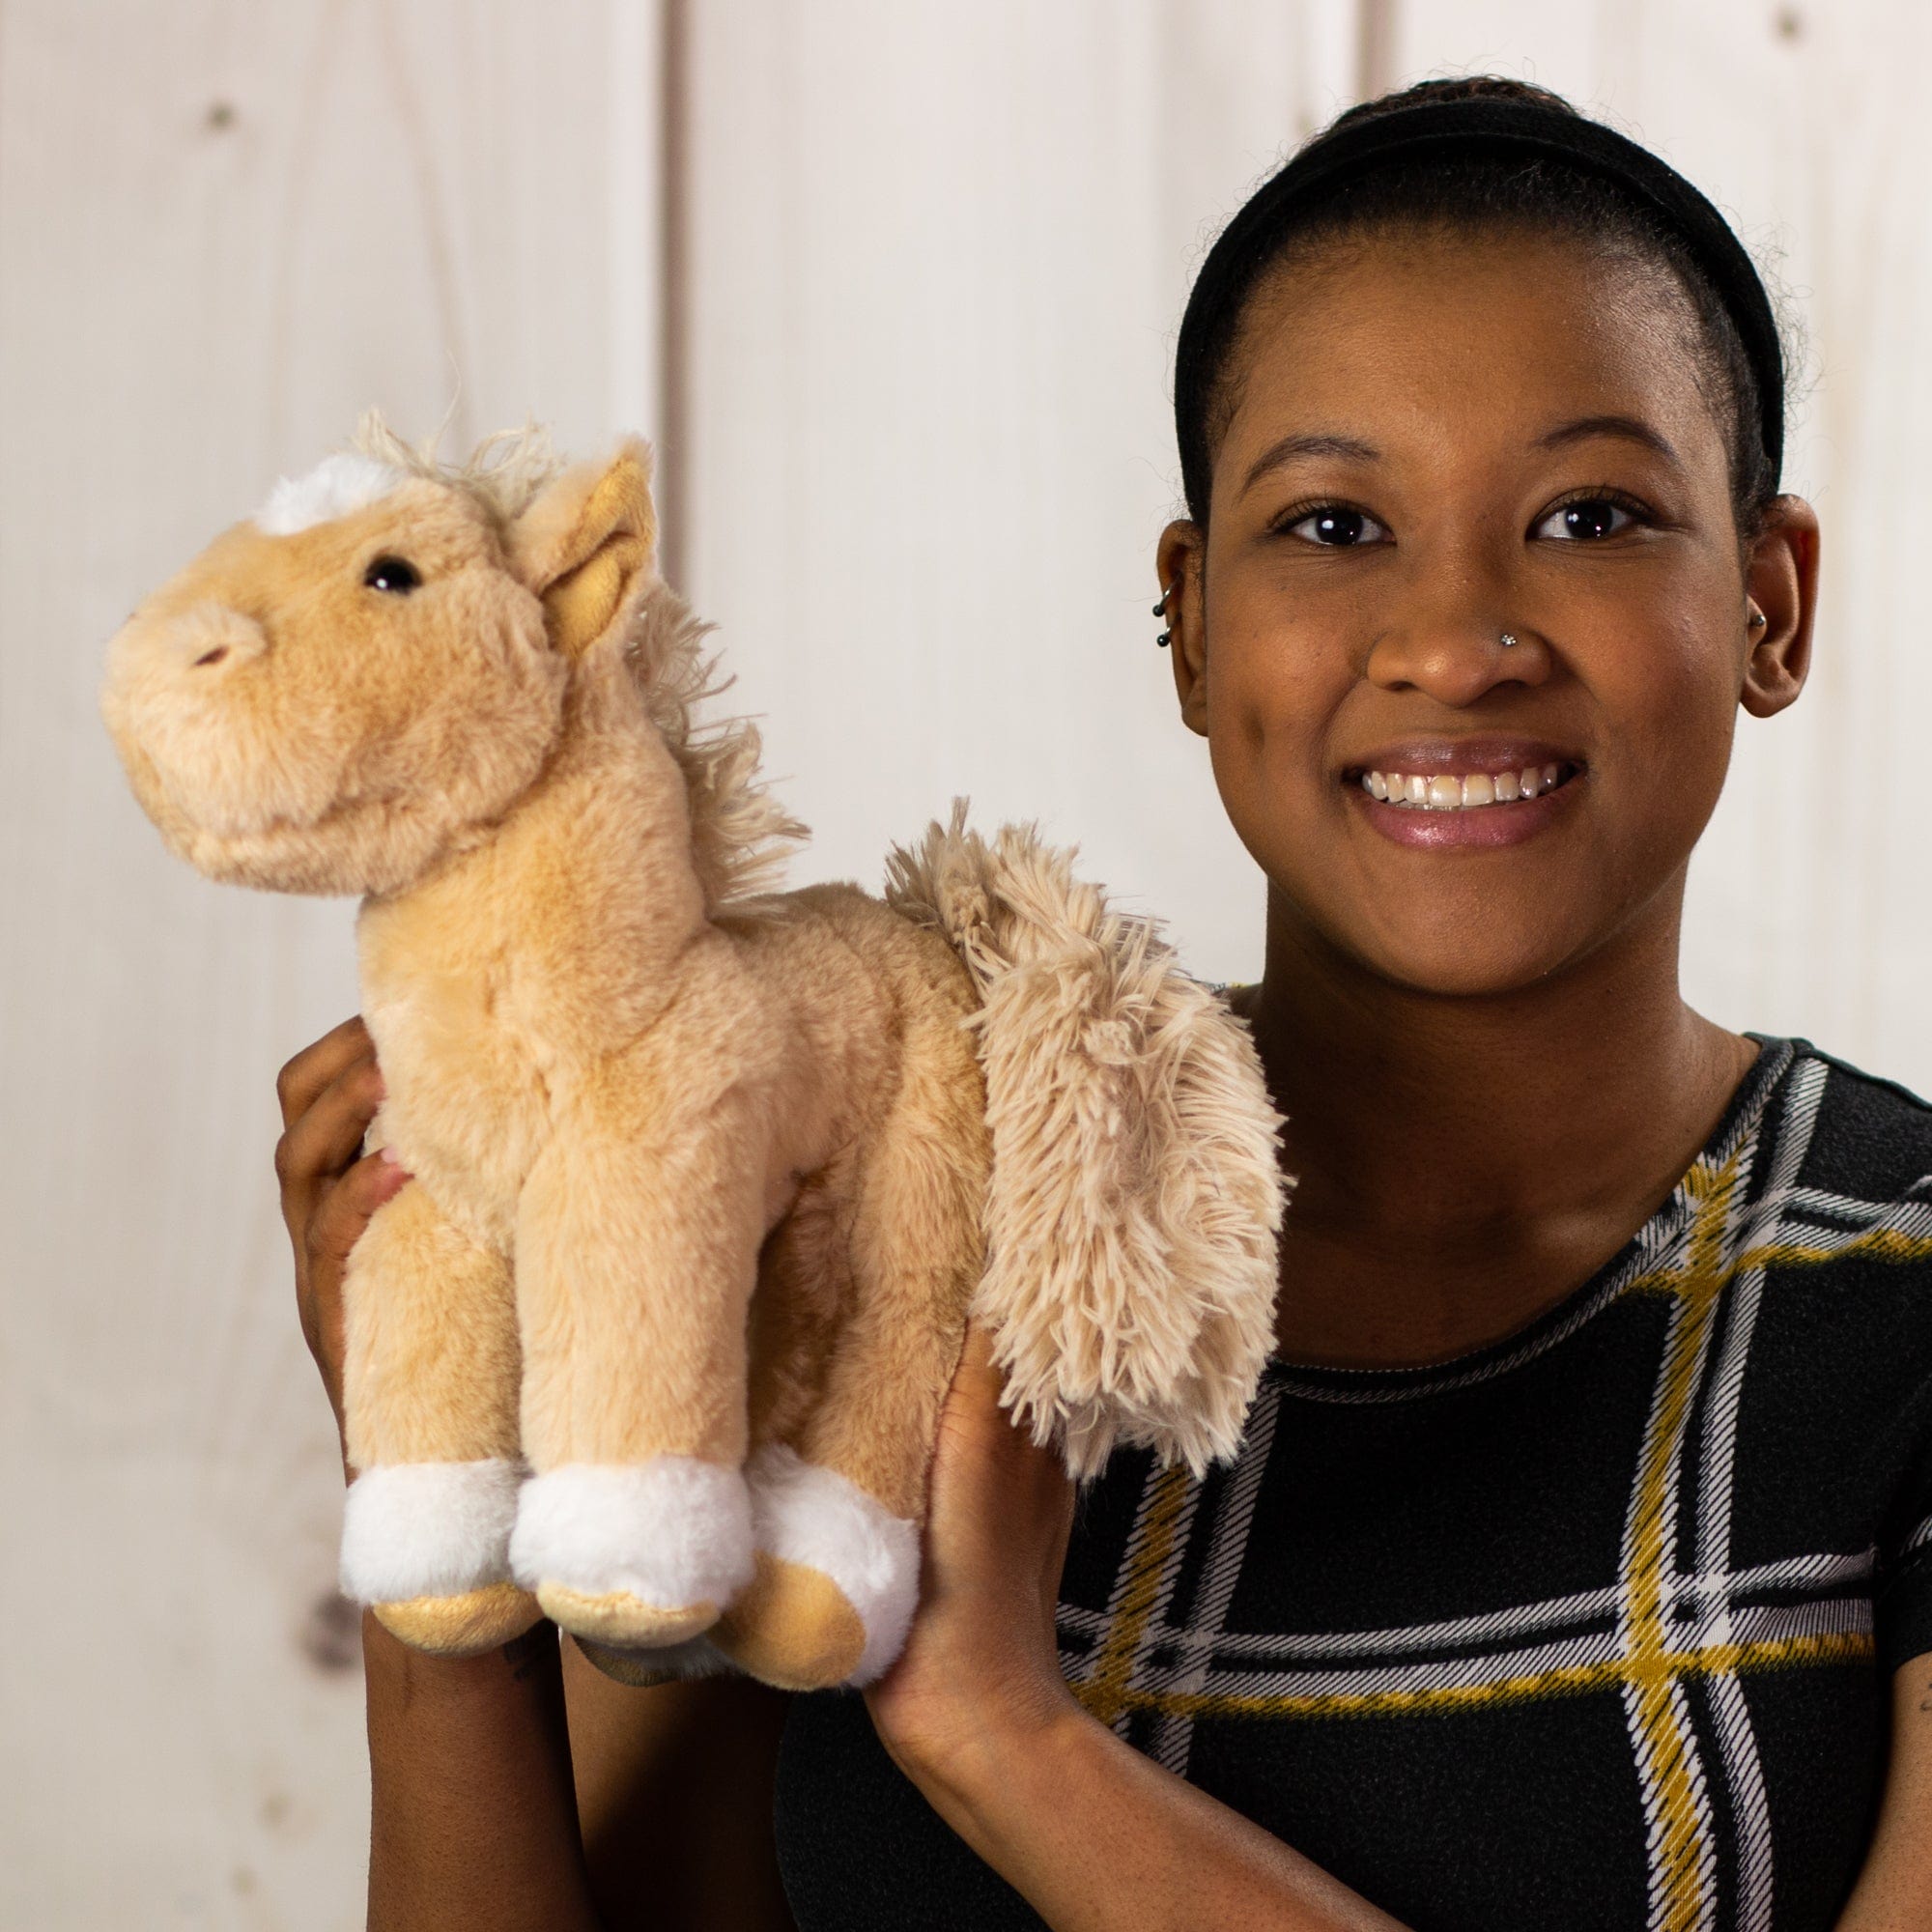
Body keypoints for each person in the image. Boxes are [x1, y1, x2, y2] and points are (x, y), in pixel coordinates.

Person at [272, 75, 1932, 1931]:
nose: (1457, 639)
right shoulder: (907, 1213)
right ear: (1194, 621)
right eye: (1330, 525)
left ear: (1775, 604)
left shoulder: (1907, 1285)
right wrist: (439, 1520)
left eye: (1591, 513)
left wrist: (1002, 1737)